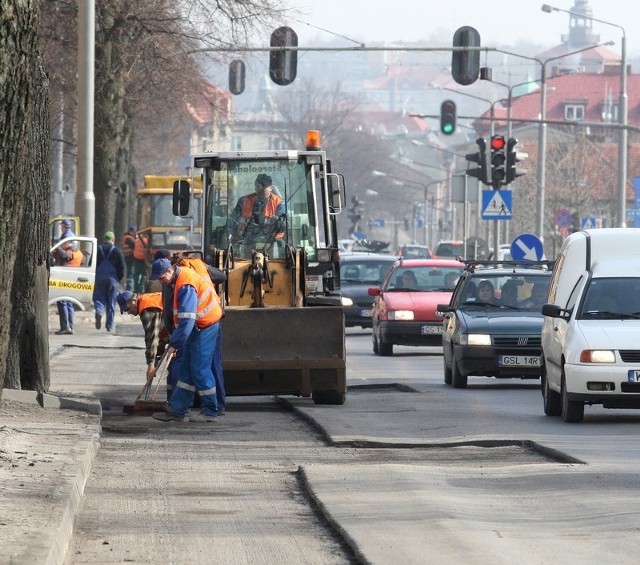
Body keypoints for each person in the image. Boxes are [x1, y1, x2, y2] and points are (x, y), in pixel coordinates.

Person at [149, 258, 223, 423]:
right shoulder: (178, 280)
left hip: (204, 327)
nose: (160, 282)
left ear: (170, 270)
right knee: (186, 370)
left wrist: (174, 344)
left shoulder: (185, 285)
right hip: (196, 327)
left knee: (200, 370)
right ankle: (177, 410)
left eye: (161, 278)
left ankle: (210, 411)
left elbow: (187, 319)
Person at [116, 290, 168, 383]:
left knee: (177, 371)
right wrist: (155, 359)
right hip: (181, 333)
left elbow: (151, 337)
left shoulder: (147, 308)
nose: (128, 312)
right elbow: (160, 334)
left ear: (133, 300)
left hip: (184, 334)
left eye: (127, 309)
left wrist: (151, 363)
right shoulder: (146, 301)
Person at [229, 173, 286, 244]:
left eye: (263, 186)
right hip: (246, 240)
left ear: (271, 188)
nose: (260, 189)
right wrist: (231, 233)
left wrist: (276, 221)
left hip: (273, 242)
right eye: (258, 186)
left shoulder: (279, 203)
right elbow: (232, 220)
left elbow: (284, 223)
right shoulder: (244, 201)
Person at [93, 231, 125, 332]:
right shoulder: (116, 251)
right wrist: (118, 279)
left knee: (99, 298)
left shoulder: (98, 249)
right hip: (113, 279)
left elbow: (94, 264)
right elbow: (121, 267)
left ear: (104, 239)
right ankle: (109, 325)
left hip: (100, 278)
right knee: (111, 302)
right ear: (113, 240)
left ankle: (99, 311)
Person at [54, 239, 84, 334]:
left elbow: (65, 256)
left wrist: (57, 247)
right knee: (69, 303)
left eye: (63, 243)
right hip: (73, 280)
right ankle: (70, 327)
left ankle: (65, 327)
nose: (62, 245)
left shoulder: (70, 253)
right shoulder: (79, 253)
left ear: (68, 243)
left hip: (65, 279)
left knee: (62, 302)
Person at [121, 225, 137, 291]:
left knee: (130, 272)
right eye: (133, 232)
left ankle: (129, 287)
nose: (134, 233)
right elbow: (135, 244)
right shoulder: (128, 238)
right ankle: (129, 288)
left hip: (128, 257)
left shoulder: (126, 237)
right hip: (129, 257)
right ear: (130, 231)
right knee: (130, 272)